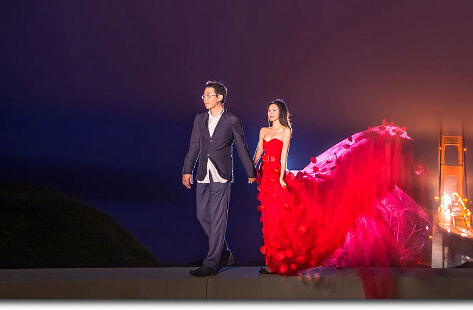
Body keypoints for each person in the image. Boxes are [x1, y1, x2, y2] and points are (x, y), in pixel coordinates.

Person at [252, 99, 430, 279]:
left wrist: (282, 176)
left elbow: (284, 156)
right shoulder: (263, 131)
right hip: (264, 176)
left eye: (274, 110)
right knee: (269, 218)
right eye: (269, 111)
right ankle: (272, 263)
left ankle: (279, 263)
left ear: (280, 112)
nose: (271, 113)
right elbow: (259, 150)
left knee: (281, 217)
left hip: (276, 176)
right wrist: (251, 167)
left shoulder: (285, 131)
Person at [181, 81, 257, 277]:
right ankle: (224, 253)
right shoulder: (199, 119)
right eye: (204, 96)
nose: (204, 98)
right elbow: (194, 145)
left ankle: (211, 264)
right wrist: (187, 170)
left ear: (220, 97)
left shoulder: (232, 120)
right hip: (203, 173)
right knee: (201, 215)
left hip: (222, 175)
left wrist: (251, 172)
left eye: (208, 95)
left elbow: (241, 147)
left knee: (218, 220)